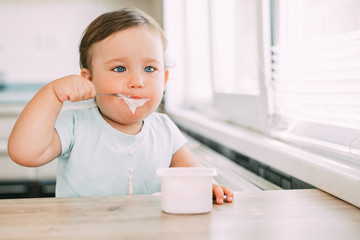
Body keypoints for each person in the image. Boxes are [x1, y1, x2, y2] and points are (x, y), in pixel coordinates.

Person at [7, 8, 233, 204]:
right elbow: (24, 153)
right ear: (89, 79)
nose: (137, 82)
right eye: (119, 69)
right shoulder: (75, 126)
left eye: (149, 69)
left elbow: (189, 169)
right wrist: (51, 94)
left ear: (164, 80)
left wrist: (205, 183)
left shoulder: (164, 128)